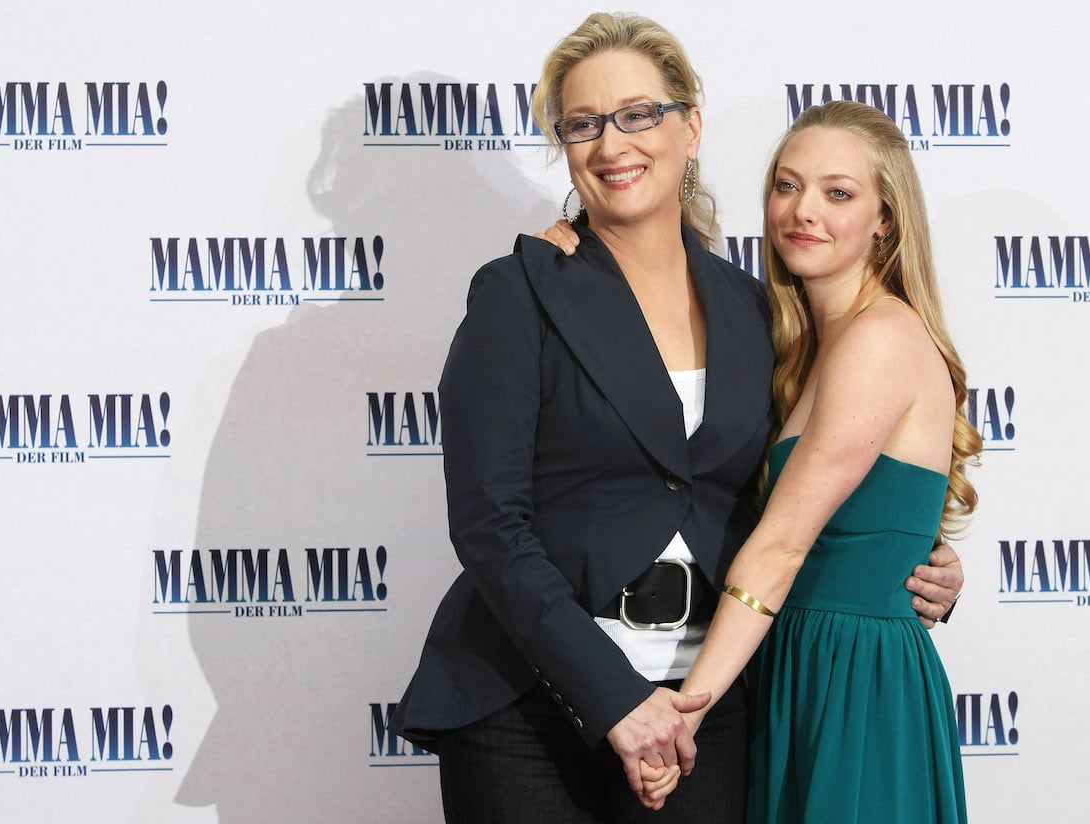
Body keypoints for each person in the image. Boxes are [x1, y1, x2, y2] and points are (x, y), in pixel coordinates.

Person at [393, 14, 964, 822]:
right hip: (528, 707)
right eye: (583, 124)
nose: (611, 143)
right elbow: (489, 523)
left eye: (637, 114)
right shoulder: (521, 291)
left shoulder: (757, 311)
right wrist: (614, 698)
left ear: (689, 127)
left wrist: (914, 561)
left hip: (705, 710)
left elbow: (803, 496)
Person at [632, 100, 979, 820]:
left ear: (886, 219)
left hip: (854, 682)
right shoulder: (800, 343)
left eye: (839, 193)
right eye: (787, 186)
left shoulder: (879, 338)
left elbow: (785, 545)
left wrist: (686, 711)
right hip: (801, 665)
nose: (803, 211)